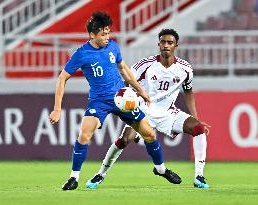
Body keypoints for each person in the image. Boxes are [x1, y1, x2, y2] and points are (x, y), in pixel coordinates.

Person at [49, 12, 182, 191]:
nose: (107, 37)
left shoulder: (113, 47)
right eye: (103, 34)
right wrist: (57, 109)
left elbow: (124, 69)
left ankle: (161, 169)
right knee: (84, 135)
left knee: (149, 134)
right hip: (99, 101)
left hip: (122, 98)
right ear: (92, 35)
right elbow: (62, 79)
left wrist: (141, 90)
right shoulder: (81, 54)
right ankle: (73, 178)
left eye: (108, 32)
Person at [86, 29, 211, 189]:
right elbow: (126, 83)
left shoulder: (185, 69)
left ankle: (199, 176)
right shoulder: (145, 65)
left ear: (176, 45)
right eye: (163, 42)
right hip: (143, 111)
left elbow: (188, 92)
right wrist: (127, 103)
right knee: (124, 139)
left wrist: (196, 117)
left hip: (168, 113)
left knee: (198, 128)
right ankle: (100, 174)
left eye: (170, 42)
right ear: (158, 44)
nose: (166, 45)